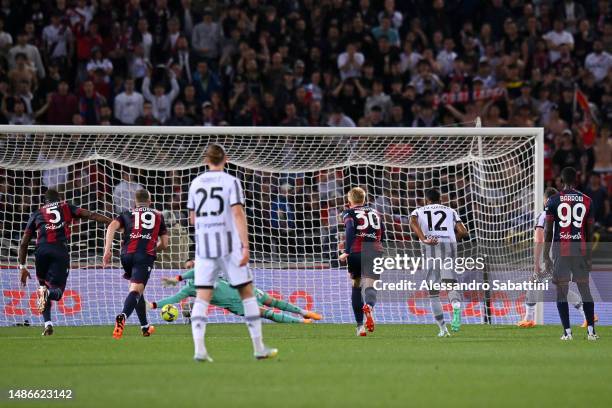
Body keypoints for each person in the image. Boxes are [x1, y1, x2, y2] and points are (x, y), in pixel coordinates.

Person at [187, 144, 277, 361]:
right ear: (225, 159)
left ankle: (199, 350)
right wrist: (245, 246)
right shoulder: (231, 182)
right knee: (247, 293)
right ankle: (258, 348)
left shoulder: (196, 183)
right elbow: (237, 213)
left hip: (205, 247)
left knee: (202, 296)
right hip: (229, 245)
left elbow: (192, 218)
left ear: (205, 160)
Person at [18, 188, 111, 335]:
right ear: (59, 198)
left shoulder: (37, 213)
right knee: (57, 292)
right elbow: (90, 214)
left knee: (43, 288)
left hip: (41, 252)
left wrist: (22, 267)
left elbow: (23, 243)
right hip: (59, 250)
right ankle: (47, 298)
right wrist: (111, 222)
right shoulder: (65, 207)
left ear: (45, 201)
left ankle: (47, 324)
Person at [149, 260, 322, 324]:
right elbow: (173, 298)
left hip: (240, 288)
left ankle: (304, 313)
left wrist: (176, 278)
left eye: (192, 264)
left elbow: (193, 272)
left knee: (272, 304)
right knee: (267, 311)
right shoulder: (190, 288)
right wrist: (154, 305)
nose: (193, 267)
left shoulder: (203, 271)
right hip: (236, 300)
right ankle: (301, 320)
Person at [519, 187, 592, 328]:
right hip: (567, 252)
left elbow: (539, 239)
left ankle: (529, 318)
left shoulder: (544, 213)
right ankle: (587, 314)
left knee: (538, 282)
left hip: (551, 255)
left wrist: (537, 263)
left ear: (546, 200)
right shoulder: (564, 213)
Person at [103, 189, 169, 339]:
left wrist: (107, 250)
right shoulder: (158, 216)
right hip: (143, 256)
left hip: (125, 255)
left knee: (138, 290)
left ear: (135, 201)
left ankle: (145, 327)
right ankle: (123, 316)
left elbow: (111, 226)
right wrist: (153, 247)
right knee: (136, 291)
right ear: (150, 201)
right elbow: (165, 244)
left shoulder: (127, 214)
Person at [543, 167, 597, 340]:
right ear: (576, 179)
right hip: (580, 250)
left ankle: (567, 332)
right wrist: (589, 257)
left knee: (561, 292)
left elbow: (548, 231)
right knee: (585, 291)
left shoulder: (553, 200)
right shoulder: (587, 201)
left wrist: (546, 255)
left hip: (561, 250)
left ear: (561, 180)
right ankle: (591, 332)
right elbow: (589, 232)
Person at [409, 188, 468, 337]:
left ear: (426, 200)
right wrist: (453, 240)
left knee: (433, 293)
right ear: (440, 200)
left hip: (431, 247)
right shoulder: (451, 210)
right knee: (451, 285)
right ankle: (456, 306)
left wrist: (423, 238)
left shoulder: (419, 210)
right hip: (449, 247)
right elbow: (463, 231)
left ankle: (443, 329)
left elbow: (412, 221)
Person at [339, 187, 385, 336]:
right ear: (364, 199)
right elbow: (382, 231)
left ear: (349, 200)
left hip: (356, 251)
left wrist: (346, 251)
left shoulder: (348, 212)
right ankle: (369, 306)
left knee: (356, 286)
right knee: (371, 285)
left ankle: (360, 327)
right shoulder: (376, 213)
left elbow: (350, 229)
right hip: (374, 250)